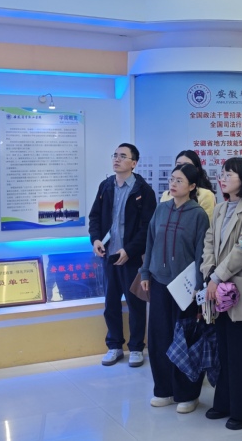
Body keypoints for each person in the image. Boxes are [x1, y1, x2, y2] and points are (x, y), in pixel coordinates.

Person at [139, 163, 210, 414]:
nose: (173, 183)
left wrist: (199, 285)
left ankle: (188, 394)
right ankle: (164, 389)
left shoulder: (198, 215)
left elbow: (201, 253)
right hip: (159, 282)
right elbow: (150, 242)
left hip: (185, 288)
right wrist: (145, 272)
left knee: (185, 339)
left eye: (179, 180)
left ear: (192, 186)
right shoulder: (161, 209)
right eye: (172, 179)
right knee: (159, 337)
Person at [201, 157, 242, 430]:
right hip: (217, 287)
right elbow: (209, 242)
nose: (223, 178)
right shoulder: (220, 207)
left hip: (240, 288)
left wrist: (216, 277)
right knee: (224, 348)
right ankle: (225, 402)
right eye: (222, 173)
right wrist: (208, 272)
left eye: (229, 174)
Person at [88, 143, 157, 367]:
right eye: (115, 155)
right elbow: (95, 217)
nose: (116, 159)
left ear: (134, 163)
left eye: (123, 156)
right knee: (111, 303)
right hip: (109, 256)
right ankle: (114, 346)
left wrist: (129, 250)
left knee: (135, 304)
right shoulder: (106, 186)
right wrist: (96, 240)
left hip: (131, 257)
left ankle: (136, 347)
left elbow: (147, 228)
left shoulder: (143, 191)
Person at [159, 150, 217, 218]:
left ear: (197, 169)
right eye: (178, 165)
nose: (181, 169)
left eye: (187, 166)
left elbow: (206, 222)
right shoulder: (166, 195)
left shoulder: (205, 195)